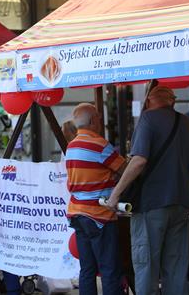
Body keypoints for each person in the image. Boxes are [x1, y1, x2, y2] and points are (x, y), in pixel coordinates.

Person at [106, 86, 189, 295]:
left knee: (146, 265)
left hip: (151, 205)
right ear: (172, 101)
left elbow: (138, 161)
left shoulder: (147, 120)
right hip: (181, 205)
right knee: (176, 267)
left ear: (148, 102)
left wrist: (115, 194)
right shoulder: (186, 122)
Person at [65, 103, 126, 295]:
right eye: (99, 117)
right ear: (93, 121)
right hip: (99, 216)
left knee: (87, 269)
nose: (101, 120)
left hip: (77, 214)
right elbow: (125, 171)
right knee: (109, 270)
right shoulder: (99, 144)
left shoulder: (71, 146)